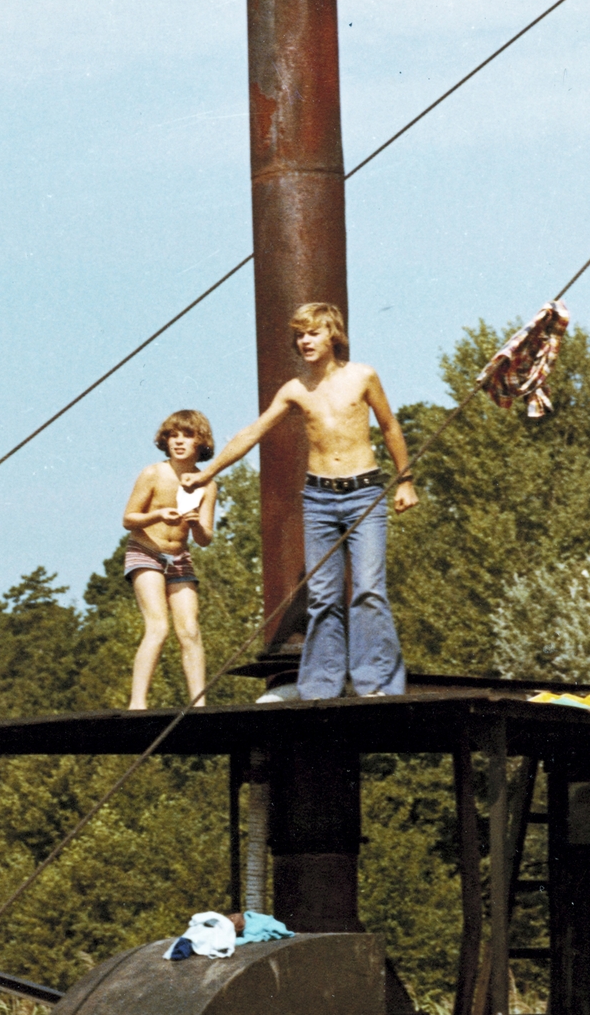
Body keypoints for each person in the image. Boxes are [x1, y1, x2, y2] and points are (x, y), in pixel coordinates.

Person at [182, 302, 417, 700]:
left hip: (364, 493)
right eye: (300, 335)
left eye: (312, 333)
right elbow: (253, 431)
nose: (305, 341)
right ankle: (321, 686)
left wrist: (405, 480)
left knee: (369, 589)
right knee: (323, 595)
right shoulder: (295, 389)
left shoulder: (362, 376)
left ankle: (375, 684)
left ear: (333, 336)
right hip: (320, 498)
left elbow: (390, 426)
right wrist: (209, 472)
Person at [120, 409, 219, 709]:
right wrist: (158, 514)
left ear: (200, 442)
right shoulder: (154, 473)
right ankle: (138, 703)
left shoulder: (207, 485)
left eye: (187, 435)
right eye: (173, 435)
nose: (178, 441)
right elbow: (128, 519)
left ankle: (198, 702)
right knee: (158, 626)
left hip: (179, 557)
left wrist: (195, 524)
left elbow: (205, 539)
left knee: (189, 629)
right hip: (146, 550)